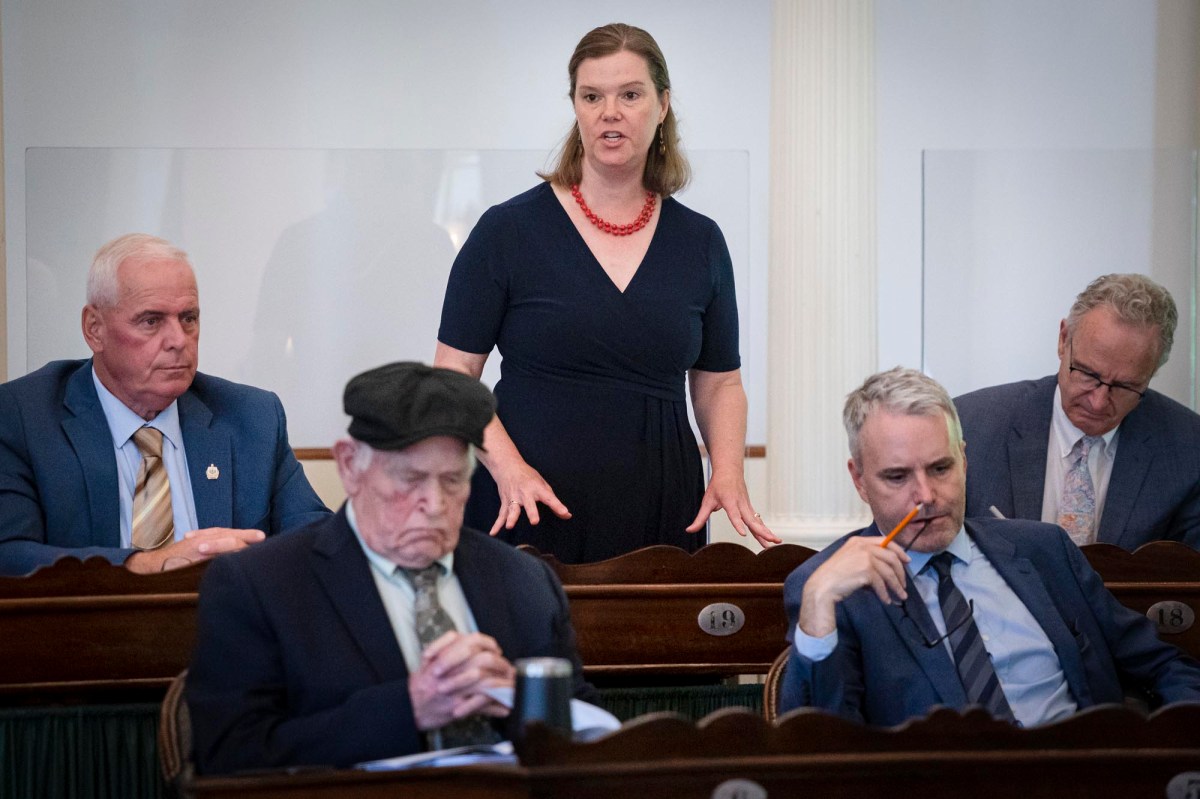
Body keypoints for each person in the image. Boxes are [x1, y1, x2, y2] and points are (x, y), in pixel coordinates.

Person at [435, 22, 777, 563]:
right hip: (527, 502)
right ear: (575, 106)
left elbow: (719, 382)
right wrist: (507, 467)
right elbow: (453, 375)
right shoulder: (507, 231)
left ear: (662, 105)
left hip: (662, 507)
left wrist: (728, 471)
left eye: (630, 95)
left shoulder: (701, 240)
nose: (609, 111)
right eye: (591, 96)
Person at [187, 362, 593, 774]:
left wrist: (520, 700)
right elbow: (230, 756)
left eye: (452, 481)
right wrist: (410, 708)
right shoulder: (261, 586)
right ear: (349, 466)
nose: (434, 505)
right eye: (410, 480)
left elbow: (589, 738)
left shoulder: (525, 580)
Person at [779, 367, 1200, 727]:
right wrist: (818, 609)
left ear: (964, 460)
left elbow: (1163, 665)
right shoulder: (828, 590)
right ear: (859, 480)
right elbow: (819, 746)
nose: (926, 495)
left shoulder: (1043, 549)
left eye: (941, 468)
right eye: (897, 477)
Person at [0, 233, 330, 577]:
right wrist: (145, 565)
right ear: (94, 329)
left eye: (188, 318)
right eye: (151, 321)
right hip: (87, 629)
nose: (177, 341)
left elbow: (318, 541)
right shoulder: (23, 418)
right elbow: (9, 553)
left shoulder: (252, 418)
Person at [955, 273, 1200, 549]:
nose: (1097, 401)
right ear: (1063, 340)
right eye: (1087, 373)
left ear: (1152, 372)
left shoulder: (1188, 449)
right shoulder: (970, 425)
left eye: (1125, 386)